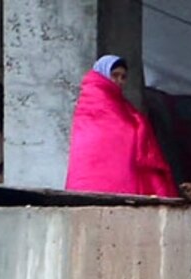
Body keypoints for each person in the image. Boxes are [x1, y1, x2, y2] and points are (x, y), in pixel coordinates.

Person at [64, 56, 180, 199]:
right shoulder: (89, 106)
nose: (119, 81)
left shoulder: (123, 107)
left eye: (123, 77)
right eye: (115, 76)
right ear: (102, 75)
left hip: (124, 175)